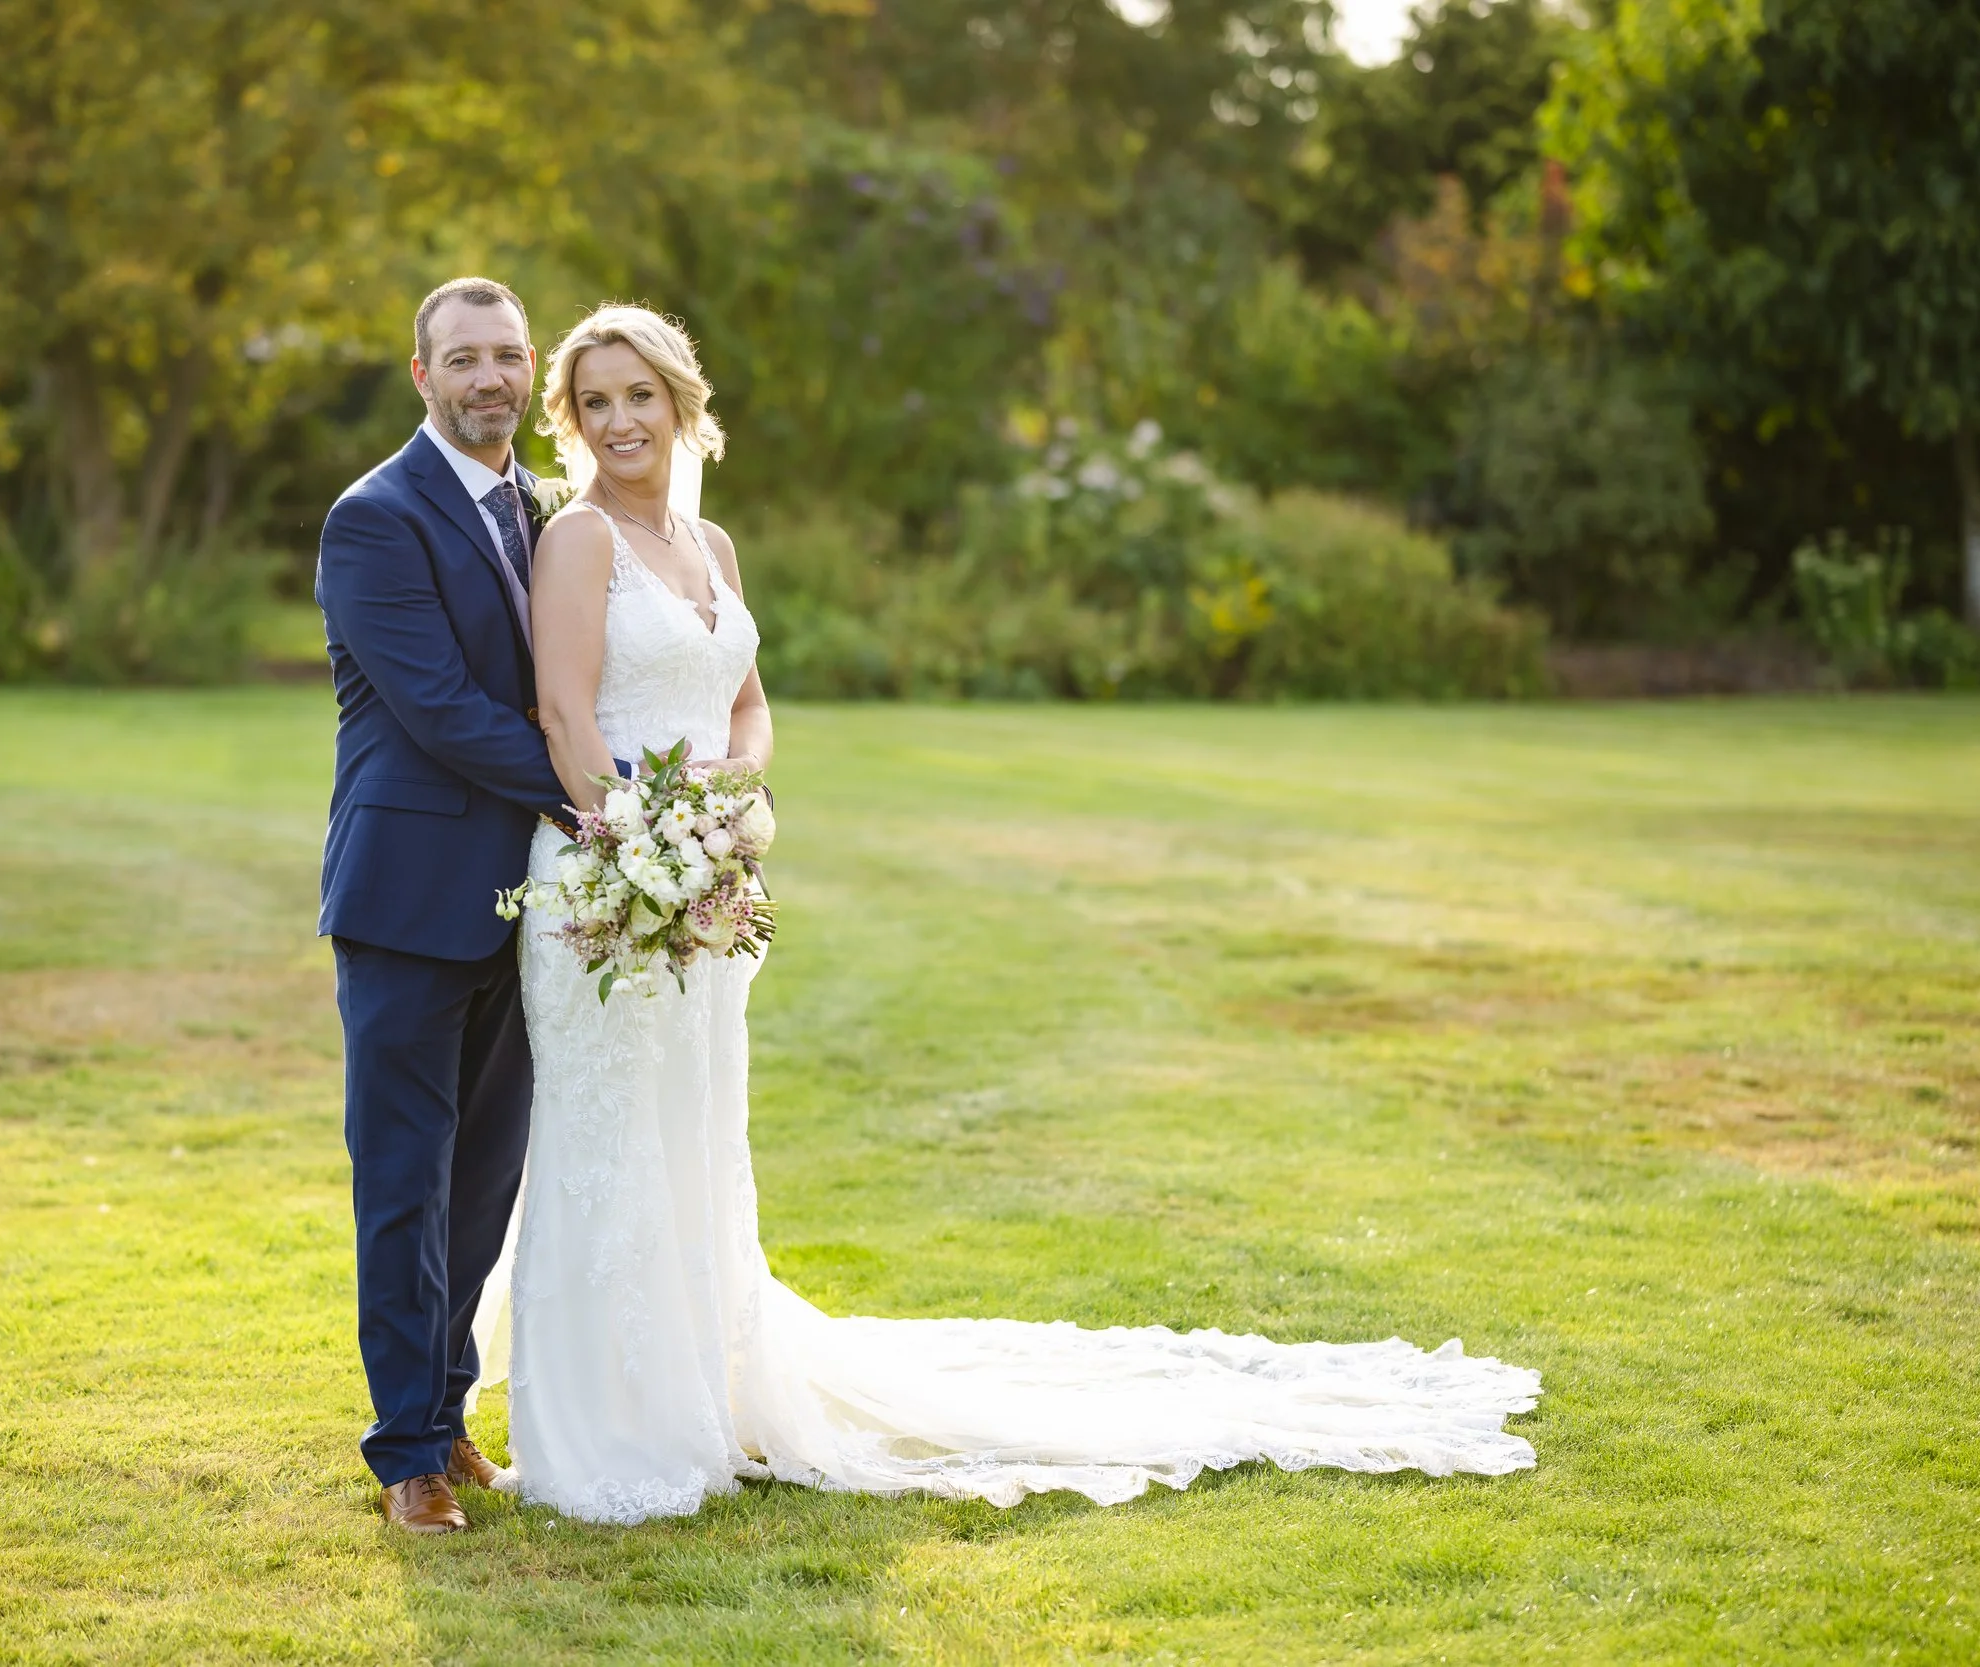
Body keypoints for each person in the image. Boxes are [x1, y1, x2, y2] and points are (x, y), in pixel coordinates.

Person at [494, 304, 1543, 1524]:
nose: (622, 420)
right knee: (607, 1143)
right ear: (572, 423)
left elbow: (749, 709)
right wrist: (640, 848)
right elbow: (565, 721)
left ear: (681, 402)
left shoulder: (711, 544)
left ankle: (699, 1395)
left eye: (642, 394)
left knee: (694, 1133)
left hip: (706, 886)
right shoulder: (577, 544)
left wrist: (732, 804)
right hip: (606, 888)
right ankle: (608, 1427)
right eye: (597, 402)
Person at [312, 277, 637, 1535]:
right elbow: (440, 709)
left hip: (527, 901)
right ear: (423, 376)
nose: (490, 377)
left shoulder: (544, 508)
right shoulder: (373, 518)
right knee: (403, 1178)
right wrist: (612, 800)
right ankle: (403, 1453)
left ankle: (447, 1409)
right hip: (405, 896)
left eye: (508, 355)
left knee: (483, 1176)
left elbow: (563, 680)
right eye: (465, 358)